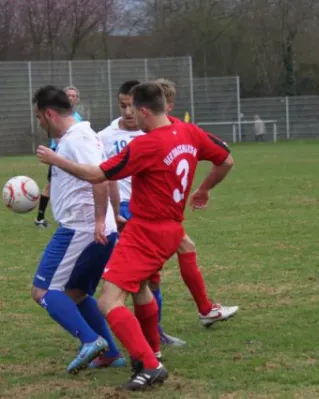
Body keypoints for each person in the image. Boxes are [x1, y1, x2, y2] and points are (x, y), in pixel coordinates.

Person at [36, 82, 234, 390]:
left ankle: (150, 365)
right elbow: (226, 160)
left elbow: (96, 174)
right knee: (140, 287)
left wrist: (55, 160)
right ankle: (152, 349)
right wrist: (204, 188)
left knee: (108, 301)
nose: (130, 117)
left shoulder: (146, 145)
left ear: (143, 111)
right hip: (171, 229)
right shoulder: (189, 132)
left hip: (146, 232)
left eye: (132, 110)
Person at [30, 85, 124, 374]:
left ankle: (89, 341)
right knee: (77, 292)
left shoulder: (77, 138)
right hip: (94, 227)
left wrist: (99, 220)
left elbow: (100, 178)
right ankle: (110, 353)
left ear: (49, 113)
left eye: (38, 117)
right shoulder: (82, 135)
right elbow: (108, 176)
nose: (39, 123)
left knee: (43, 290)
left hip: (80, 229)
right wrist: (113, 216)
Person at [96, 80, 186, 353]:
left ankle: (153, 336)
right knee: (129, 280)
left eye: (131, 106)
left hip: (149, 211)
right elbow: (102, 174)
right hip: (121, 209)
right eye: (122, 106)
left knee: (147, 278)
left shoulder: (157, 133)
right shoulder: (105, 136)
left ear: (143, 108)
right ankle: (146, 343)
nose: (127, 112)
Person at [153, 78, 239, 328]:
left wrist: (202, 189)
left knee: (182, 249)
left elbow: (225, 156)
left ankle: (202, 311)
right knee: (137, 278)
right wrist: (203, 189)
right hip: (146, 213)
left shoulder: (180, 131)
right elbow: (226, 157)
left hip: (161, 213)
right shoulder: (178, 132)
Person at [34, 86, 83, 228]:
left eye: (74, 96)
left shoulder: (78, 121)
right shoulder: (58, 117)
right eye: (69, 95)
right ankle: (40, 217)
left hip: (69, 156)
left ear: (77, 100)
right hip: (57, 154)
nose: (71, 98)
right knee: (51, 185)